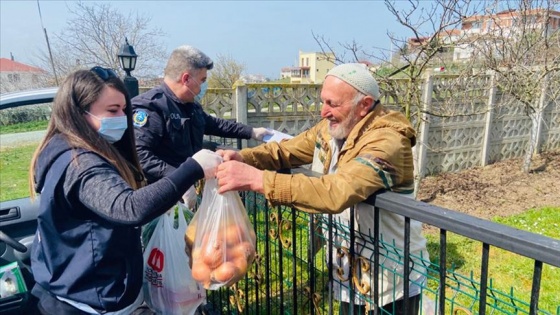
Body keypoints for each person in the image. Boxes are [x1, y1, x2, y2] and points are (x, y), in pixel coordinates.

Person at [215, 63, 429, 315]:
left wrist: (259, 181)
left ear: (364, 105)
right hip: (350, 267)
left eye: (332, 103)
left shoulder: (387, 140)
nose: (323, 111)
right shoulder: (332, 130)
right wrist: (244, 158)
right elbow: (286, 149)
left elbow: (339, 190)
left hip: (389, 277)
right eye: (323, 101)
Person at [28, 67, 222, 315]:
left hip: (75, 287)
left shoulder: (61, 147)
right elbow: (129, 207)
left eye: (123, 109)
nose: (122, 117)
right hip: (85, 302)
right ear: (79, 113)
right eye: (112, 111)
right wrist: (192, 169)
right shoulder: (81, 164)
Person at [131, 45, 270, 207]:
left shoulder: (190, 106)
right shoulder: (151, 107)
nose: (205, 86)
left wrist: (252, 132)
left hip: (185, 192)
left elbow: (215, 124)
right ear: (186, 79)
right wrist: (177, 179)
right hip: (156, 196)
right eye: (203, 80)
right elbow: (140, 155)